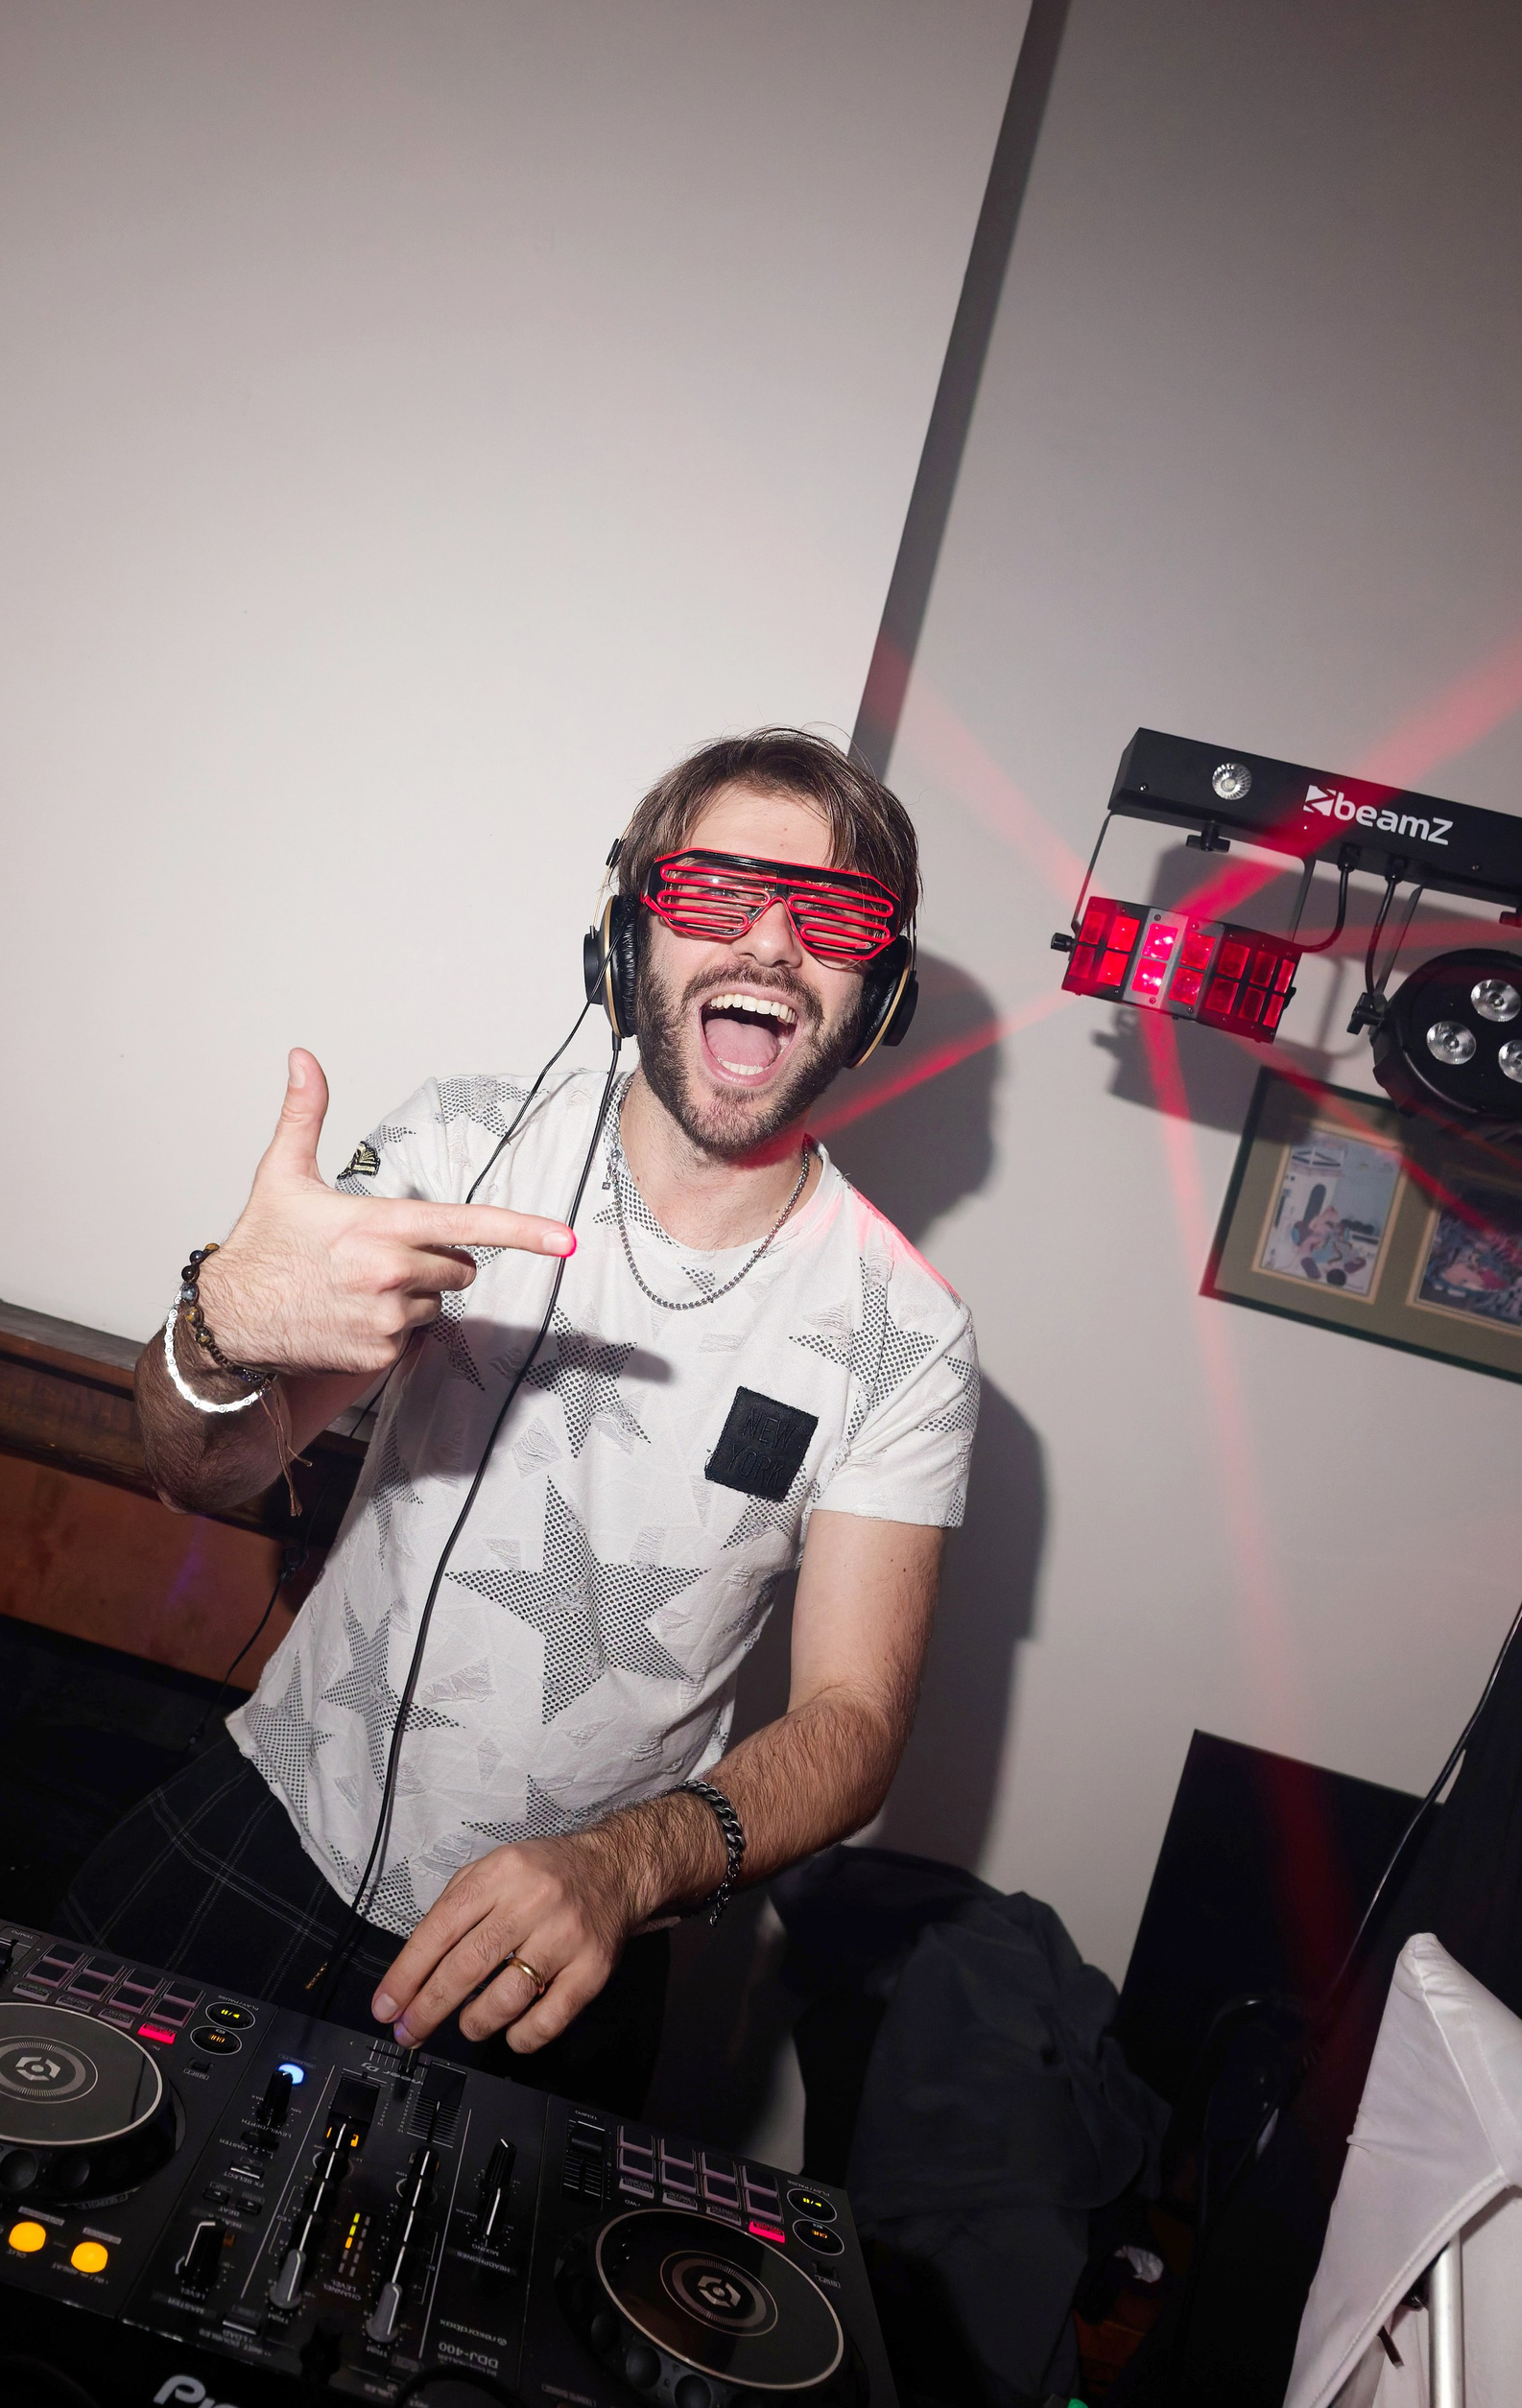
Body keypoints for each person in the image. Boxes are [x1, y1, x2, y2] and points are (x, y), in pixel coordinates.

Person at [62, 728, 977, 2113]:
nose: (771, 943)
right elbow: (206, 1466)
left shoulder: (907, 1333)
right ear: (626, 937)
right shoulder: (463, 1149)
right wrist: (216, 1336)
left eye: (833, 916)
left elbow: (854, 1722)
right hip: (268, 1823)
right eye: (716, 893)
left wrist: (624, 1867)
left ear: (882, 989)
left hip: (558, 1950)